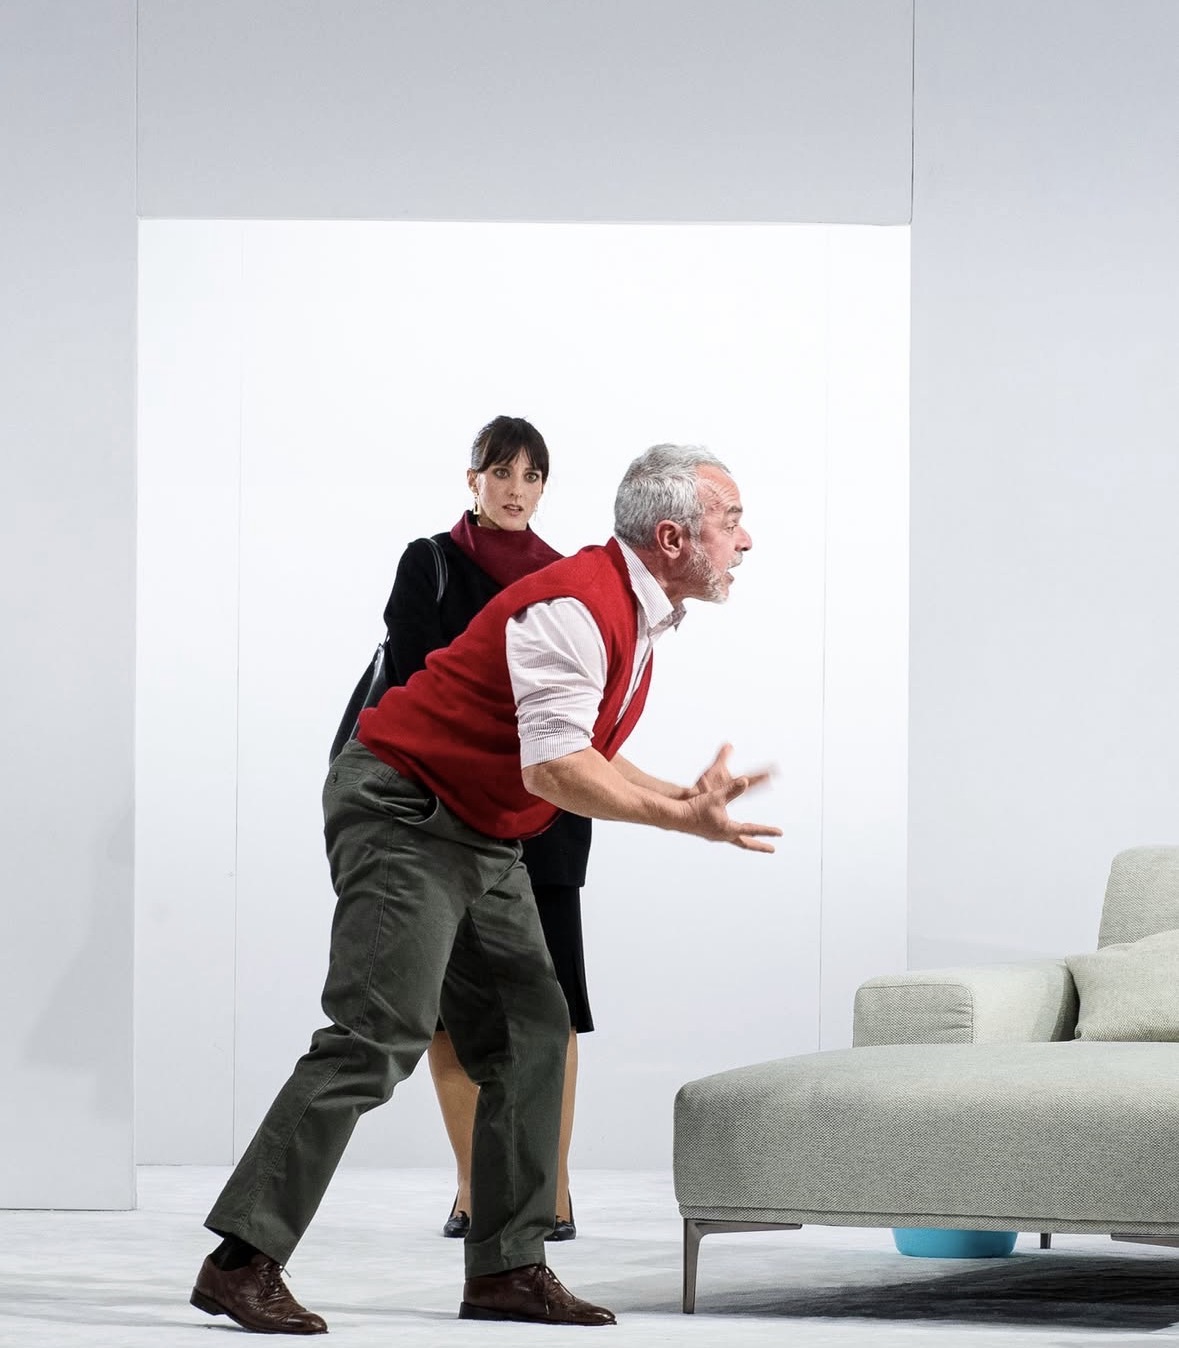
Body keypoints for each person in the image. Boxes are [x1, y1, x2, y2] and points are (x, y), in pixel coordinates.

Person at [189, 442, 780, 1334]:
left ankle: (506, 1268)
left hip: (478, 826)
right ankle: (241, 1262)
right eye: (730, 521)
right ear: (671, 537)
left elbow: (582, 746)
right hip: (404, 809)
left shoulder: (630, 610)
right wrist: (677, 819)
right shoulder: (578, 606)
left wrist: (678, 798)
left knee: (531, 1031)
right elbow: (555, 771)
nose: (745, 540)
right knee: (377, 1033)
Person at [382, 415, 592, 1241]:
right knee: (453, 1012)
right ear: (472, 479)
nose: (515, 489)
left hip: (546, 815)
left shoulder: (566, 578)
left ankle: (552, 1193)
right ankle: (475, 1188)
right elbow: (416, 682)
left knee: (555, 1006)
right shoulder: (430, 562)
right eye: (500, 472)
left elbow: (583, 701)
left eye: (531, 475)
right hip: (450, 816)